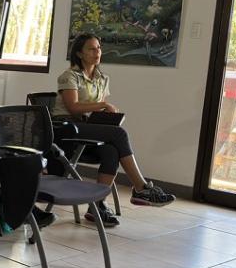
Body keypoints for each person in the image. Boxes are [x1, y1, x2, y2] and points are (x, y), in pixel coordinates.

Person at [53, 33, 175, 226]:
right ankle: (141, 188)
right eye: (92, 49)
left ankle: (97, 206)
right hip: (67, 128)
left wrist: (107, 115)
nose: (97, 52)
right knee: (119, 134)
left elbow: (95, 110)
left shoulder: (103, 78)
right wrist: (102, 105)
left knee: (111, 151)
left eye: (99, 48)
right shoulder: (69, 76)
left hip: (88, 128)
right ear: (79, 53)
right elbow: (74, 108)